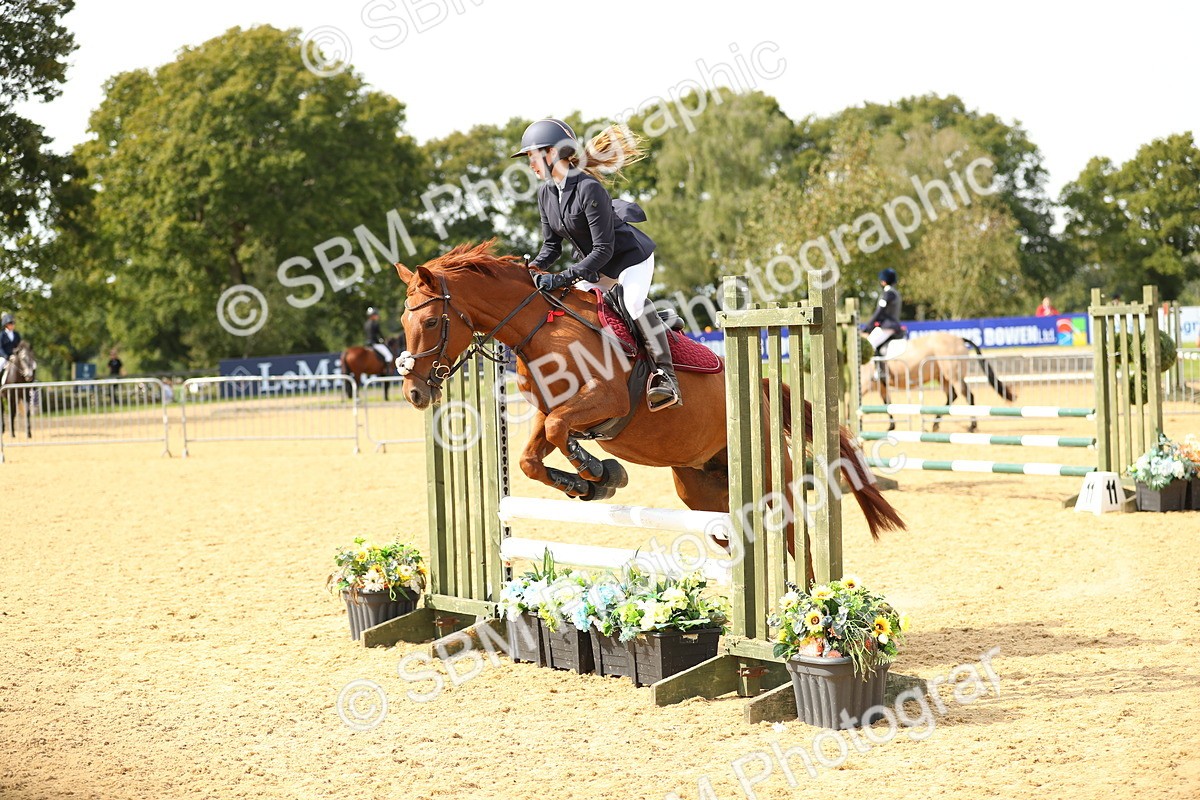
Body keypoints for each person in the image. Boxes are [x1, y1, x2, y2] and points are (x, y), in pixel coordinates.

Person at [512, 118, 680, 411]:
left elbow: (604, 248)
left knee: (632, 305)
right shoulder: (546, 194)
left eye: (532, 156)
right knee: (573, 307)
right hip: (594, 265)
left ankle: (665, 376)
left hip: (629, 259)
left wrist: (563, 276)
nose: (531, 165)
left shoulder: (589, 188)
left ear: (552, 153)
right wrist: (529, 271)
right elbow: (551, 247)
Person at [861, 268, 904, 361]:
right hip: (891, 325)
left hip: (887, 326)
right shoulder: (895, 293)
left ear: (884, 281)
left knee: (869, 345)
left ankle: (878, 371)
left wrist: (868, 326)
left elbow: (880, 311)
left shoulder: (888, 294)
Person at [0, 312, 20, 382]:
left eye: (13, 323)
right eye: (10, 324)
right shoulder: (2, 335)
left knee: (27, 363)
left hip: (15, 356)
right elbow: (0, 348)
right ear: (6, 325)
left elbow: (19, 346)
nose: (12, 325)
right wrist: (6, 356)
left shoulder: (16, 334)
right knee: (0, 363)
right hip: (4, 357)